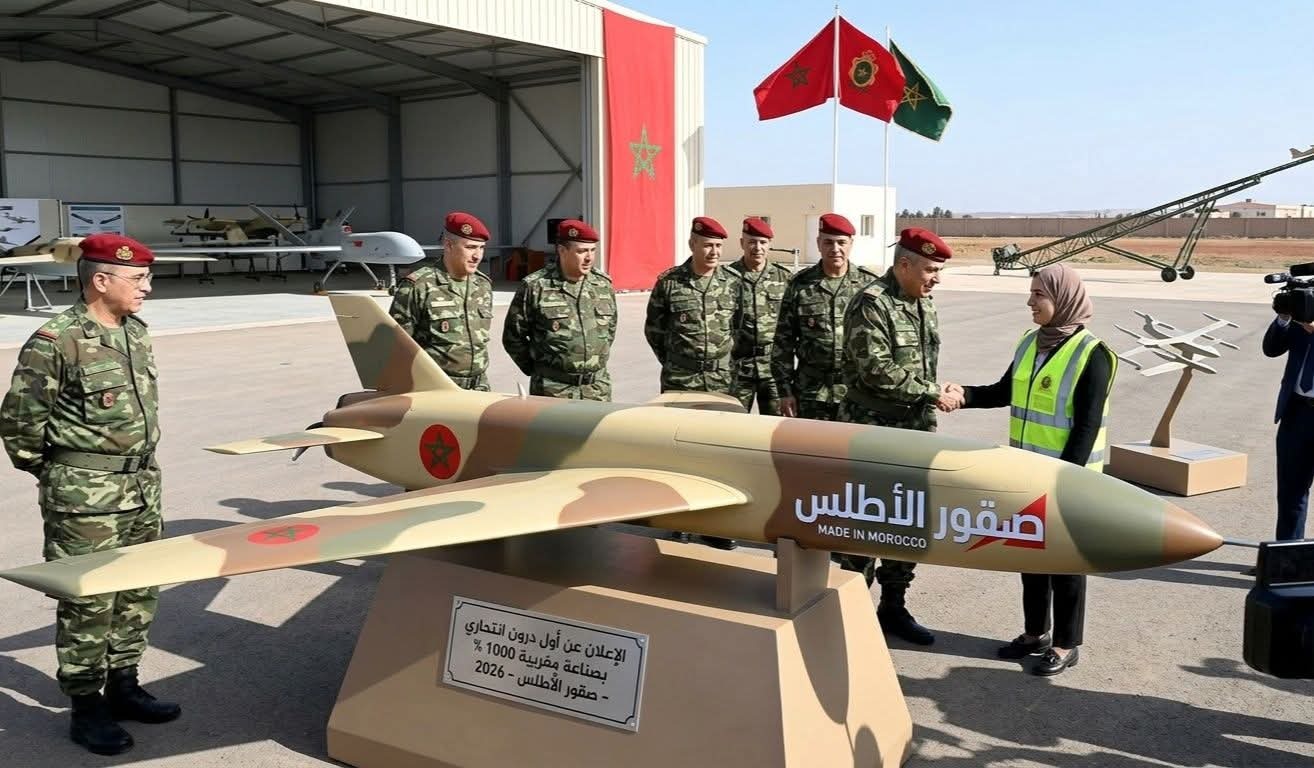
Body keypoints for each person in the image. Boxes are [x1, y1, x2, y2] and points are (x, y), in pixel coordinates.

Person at [0, 233, 181, 755]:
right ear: (101, 281)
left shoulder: (134, 332)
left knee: (139, 589)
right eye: (138, 279)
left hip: (142, 486)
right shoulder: (57, 341)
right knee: (88, 599)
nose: (147, 288)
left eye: (147, 278)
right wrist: (62, 477)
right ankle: (86, 705)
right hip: (84, 497)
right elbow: (19, 425)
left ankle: (124, 684)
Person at [949, 263, 1117, 675]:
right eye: (1032, 293)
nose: (1030, 302)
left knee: (1066, 563)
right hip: (1026, 474)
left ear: (1063, 299)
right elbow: (1004, 391)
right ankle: (1034, 633)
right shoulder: (1030, 342)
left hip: (1069, 481)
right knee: (1030, 559)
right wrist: (964, 395)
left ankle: (1065, 644)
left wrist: (1063, 481)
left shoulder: (1094, 355)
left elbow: (1086, 427)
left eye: (1039, 294)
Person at [838, 226, 956, 646]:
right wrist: (932, 392)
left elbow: (922, 365)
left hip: (915, 430)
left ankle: (893, 605)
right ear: (904, 264)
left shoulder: (924, 303)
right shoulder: (871, 303)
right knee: (865, 521)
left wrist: (933, 392)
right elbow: (876, 368)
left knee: (907, 521)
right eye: (930, 270)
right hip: (873, 430)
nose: (935, 279)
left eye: (938, 271)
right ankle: (847, 610)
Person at [773, 213, 879, 421]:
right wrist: (784, 392)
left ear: (851, 244)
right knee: (811, 442)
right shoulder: (800, 285)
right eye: (828, 242)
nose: (835, 249)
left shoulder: (869, 286)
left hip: (857, 393)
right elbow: (782, 343)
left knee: (854, 443)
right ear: (818, 243)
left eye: (841, 242)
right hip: (811, 393)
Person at [502, 218, 617, 400]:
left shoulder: (602, 285)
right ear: (562, 251)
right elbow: (513, 337)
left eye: (592, 250)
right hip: (553, 390)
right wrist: (539, 370)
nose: (589, 258)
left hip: (597, 389)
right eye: (581, 251)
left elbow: (609, 331)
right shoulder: (536, 286)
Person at [389, 211, 494, 390]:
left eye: (481, 248)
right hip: (437, 388)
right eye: (470, 247)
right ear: (448, 245)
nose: (477, 255)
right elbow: (397, 347)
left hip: (479, 386)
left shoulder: (483, 285)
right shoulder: (419, 286)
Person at [644, 216, 738, 395]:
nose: (714, 252)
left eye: (718, 246)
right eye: (708, 245)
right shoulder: (670, 282)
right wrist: (675, 362)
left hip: (722, 379)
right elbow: (654, 331)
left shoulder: (733, 282)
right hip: (680, 379)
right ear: (692, 244)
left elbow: (739, 328)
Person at [725, 217, 793, 414]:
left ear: (769, 245)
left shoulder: (784, 278)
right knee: (733, 422)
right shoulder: (726, 277)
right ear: (742, 243)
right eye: (752, 242)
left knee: (775, 424)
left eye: (763, 242)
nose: (757, 247)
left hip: (773, 369)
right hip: (738, 368)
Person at [1261, 306, 1314, 543]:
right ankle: (1287, 555)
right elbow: (1271, 349)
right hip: (1297, 412)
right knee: (1291, 491)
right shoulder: (1305, 308)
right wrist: (1283, 318)